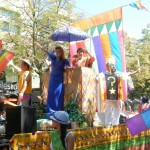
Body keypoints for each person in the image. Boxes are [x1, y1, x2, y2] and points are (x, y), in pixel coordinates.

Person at [98, 56, 140, 127]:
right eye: (109, 65)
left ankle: (114, 125)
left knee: (115, 110)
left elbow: (127, 74)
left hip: (115, 96)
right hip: (109, 95)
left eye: (111, 65)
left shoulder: (116, 73)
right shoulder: (104, 74)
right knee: (110, 109)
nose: (110, 67)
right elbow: (96, 77)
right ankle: (109, 125)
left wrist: (136, 71)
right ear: (107, 66)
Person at [34, 42, 70, 116]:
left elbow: (68, 68)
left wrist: (66, 68)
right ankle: (50, 112)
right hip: (53, 79)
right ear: (55, 52)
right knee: (51, 94)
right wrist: (39, 46)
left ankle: (58, 111)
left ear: (62, 52)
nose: (58, 52)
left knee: (58, 94)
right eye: (57, 51)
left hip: (59, 80)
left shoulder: (64, 60)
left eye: (59, 51)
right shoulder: (53, 57)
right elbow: (45, 51)